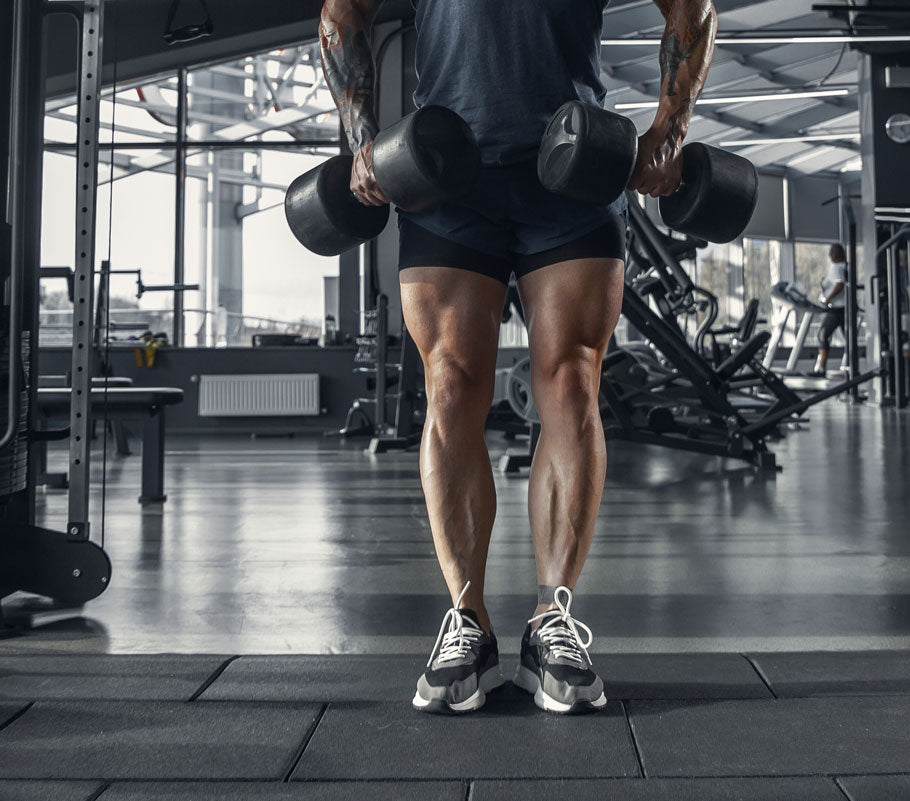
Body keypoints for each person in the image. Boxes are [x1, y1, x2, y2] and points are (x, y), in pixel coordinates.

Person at [319, 0, 716, 715]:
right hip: (445, 174)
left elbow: (694, 7)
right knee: (449, 384)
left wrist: (671, 127)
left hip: (573, 168)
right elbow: (342, 10)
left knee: (572, 381)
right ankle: (466, 622)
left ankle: (552, 620)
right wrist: (361, 136)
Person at [811, 243, 849, 377]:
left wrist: (828, 299)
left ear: (834, 254)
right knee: (849, 339)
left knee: (822, 334)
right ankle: (849, 368)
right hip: (844, 308)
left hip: (837, 309)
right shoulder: (845, 266)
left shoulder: (837, 267)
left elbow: (840, 284)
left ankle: (821, 369)